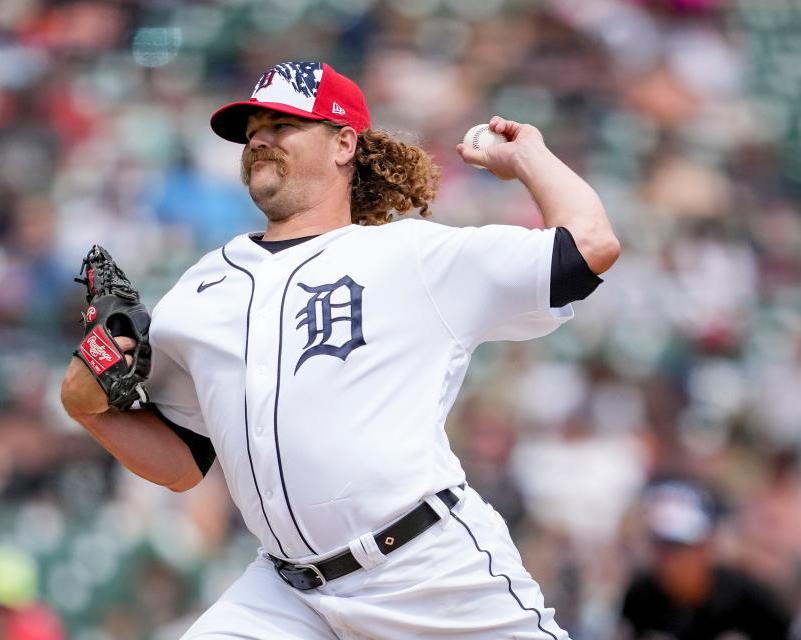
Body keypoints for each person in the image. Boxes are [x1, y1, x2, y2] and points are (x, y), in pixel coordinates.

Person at [61, 60, 619, 638]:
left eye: (283, 124)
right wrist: (87, 410)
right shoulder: (199, 291)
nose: (260, 138)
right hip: (287, 593)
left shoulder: (414, 257)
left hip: (428, 573)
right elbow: (182, 464)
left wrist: (527, 156)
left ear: (344, 144)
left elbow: (590, 245)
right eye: (253, 128)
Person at [619, 479, 794, 640]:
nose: (666, 558)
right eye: (659, 544)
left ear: (705, 547)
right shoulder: (641, 596)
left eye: (678, 547)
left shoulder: (750, 599)